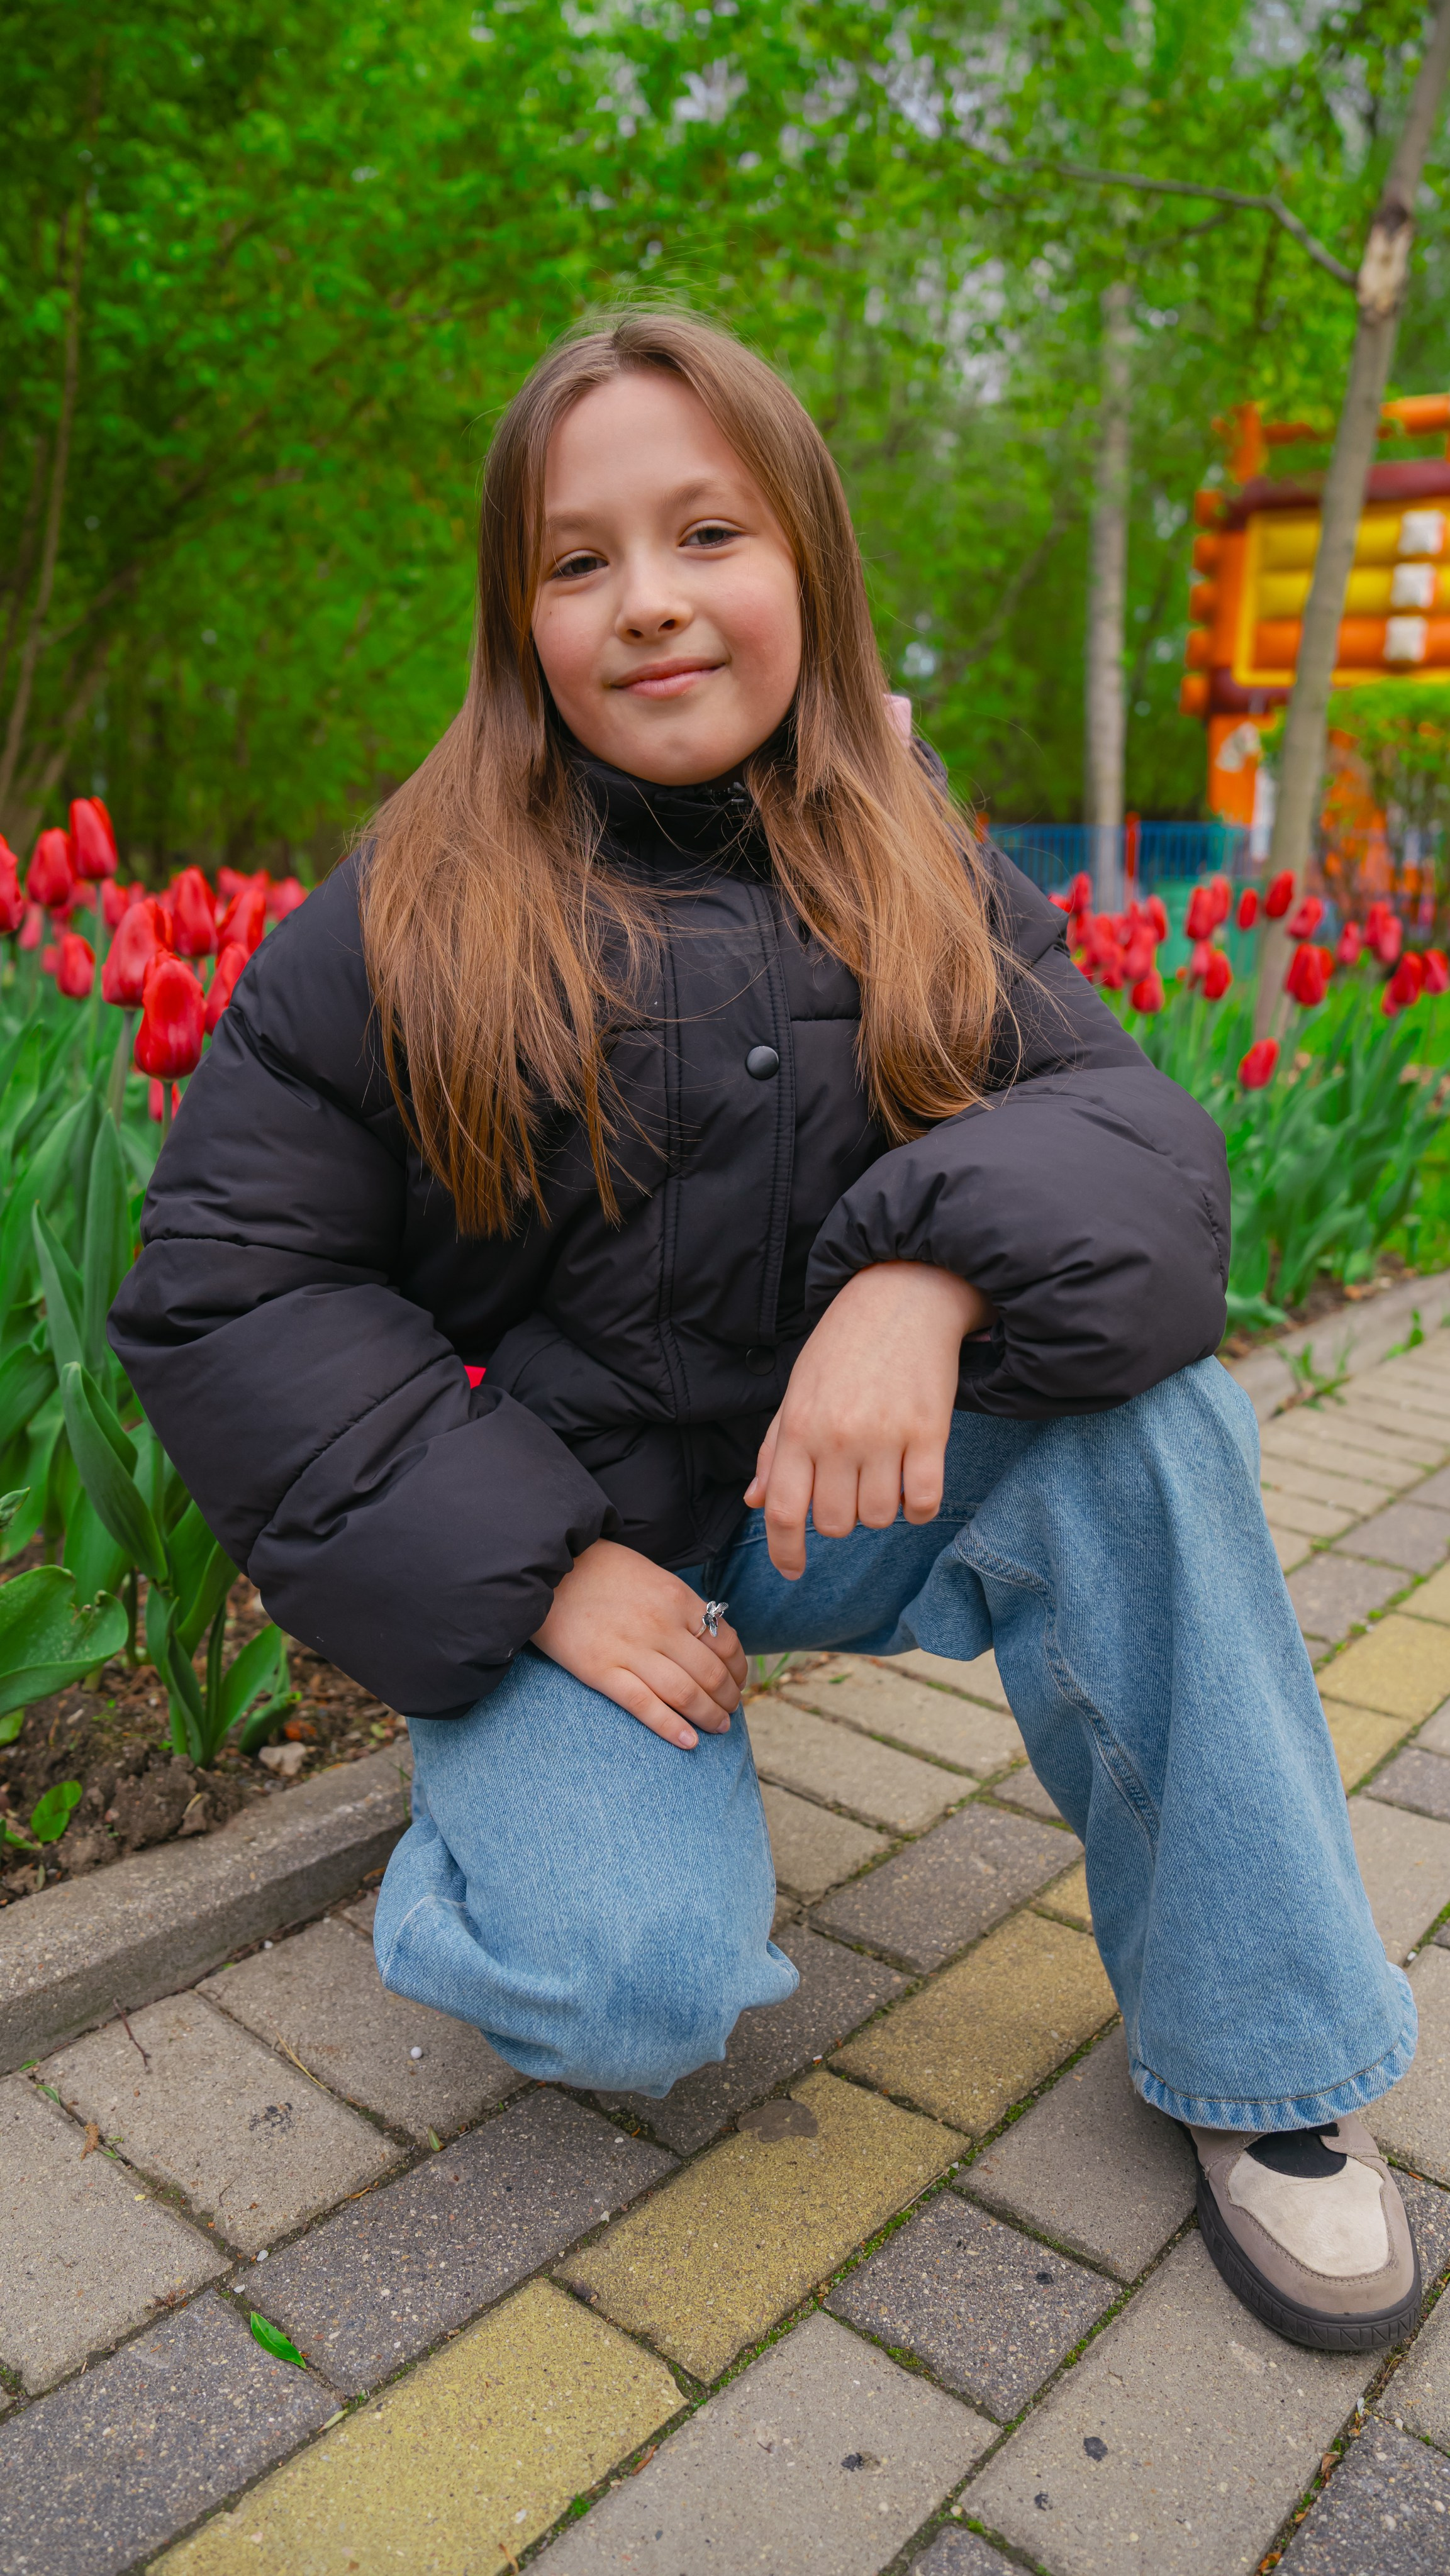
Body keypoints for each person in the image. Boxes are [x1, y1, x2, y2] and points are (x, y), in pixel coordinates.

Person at [112, 309, 1419, 2357]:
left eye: (707, 533)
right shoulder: (403, 913)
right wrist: (536, 1574)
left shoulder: (910, 865)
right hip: (583, 1549)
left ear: (804, 561)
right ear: (516, 616)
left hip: (846, 1503)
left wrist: (924, 1269)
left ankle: (1270, 2069)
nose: (648, 603)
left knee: (1156, 1428)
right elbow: (228, 1283)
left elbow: (1140, 1152)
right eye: (576, 560)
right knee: (626, 2001)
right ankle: (491, 1825)